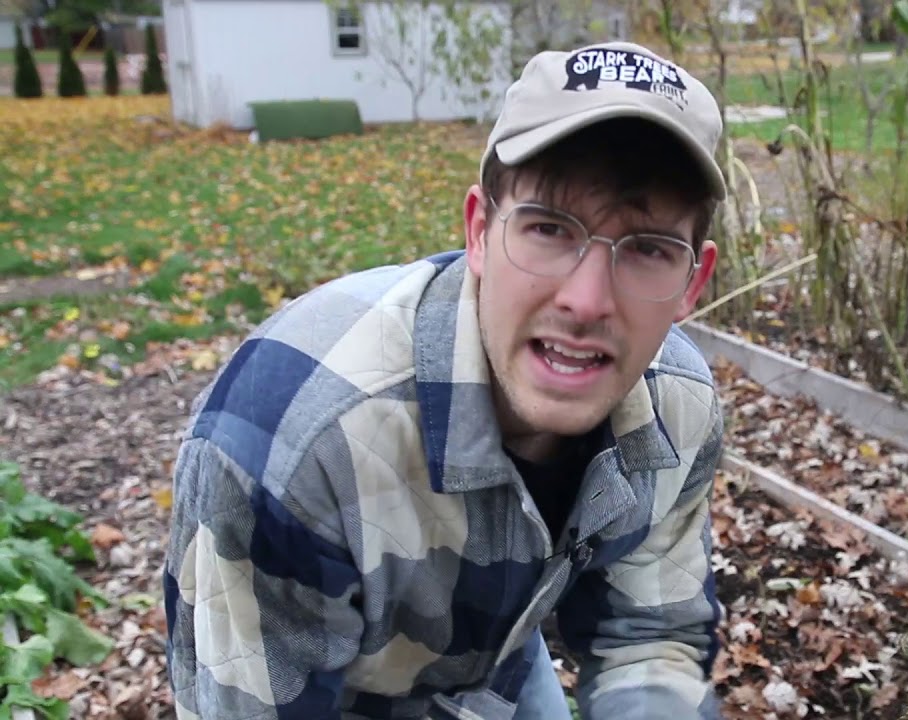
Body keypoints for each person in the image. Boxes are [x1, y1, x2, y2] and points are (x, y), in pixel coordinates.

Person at [163, 39, 728, 720]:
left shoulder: (678, 410)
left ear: (693, 281)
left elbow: (652, 638)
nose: (586, 300)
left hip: (494, 674)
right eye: (549, 229)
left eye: (646, 250)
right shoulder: (296, 437)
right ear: (480, 232)